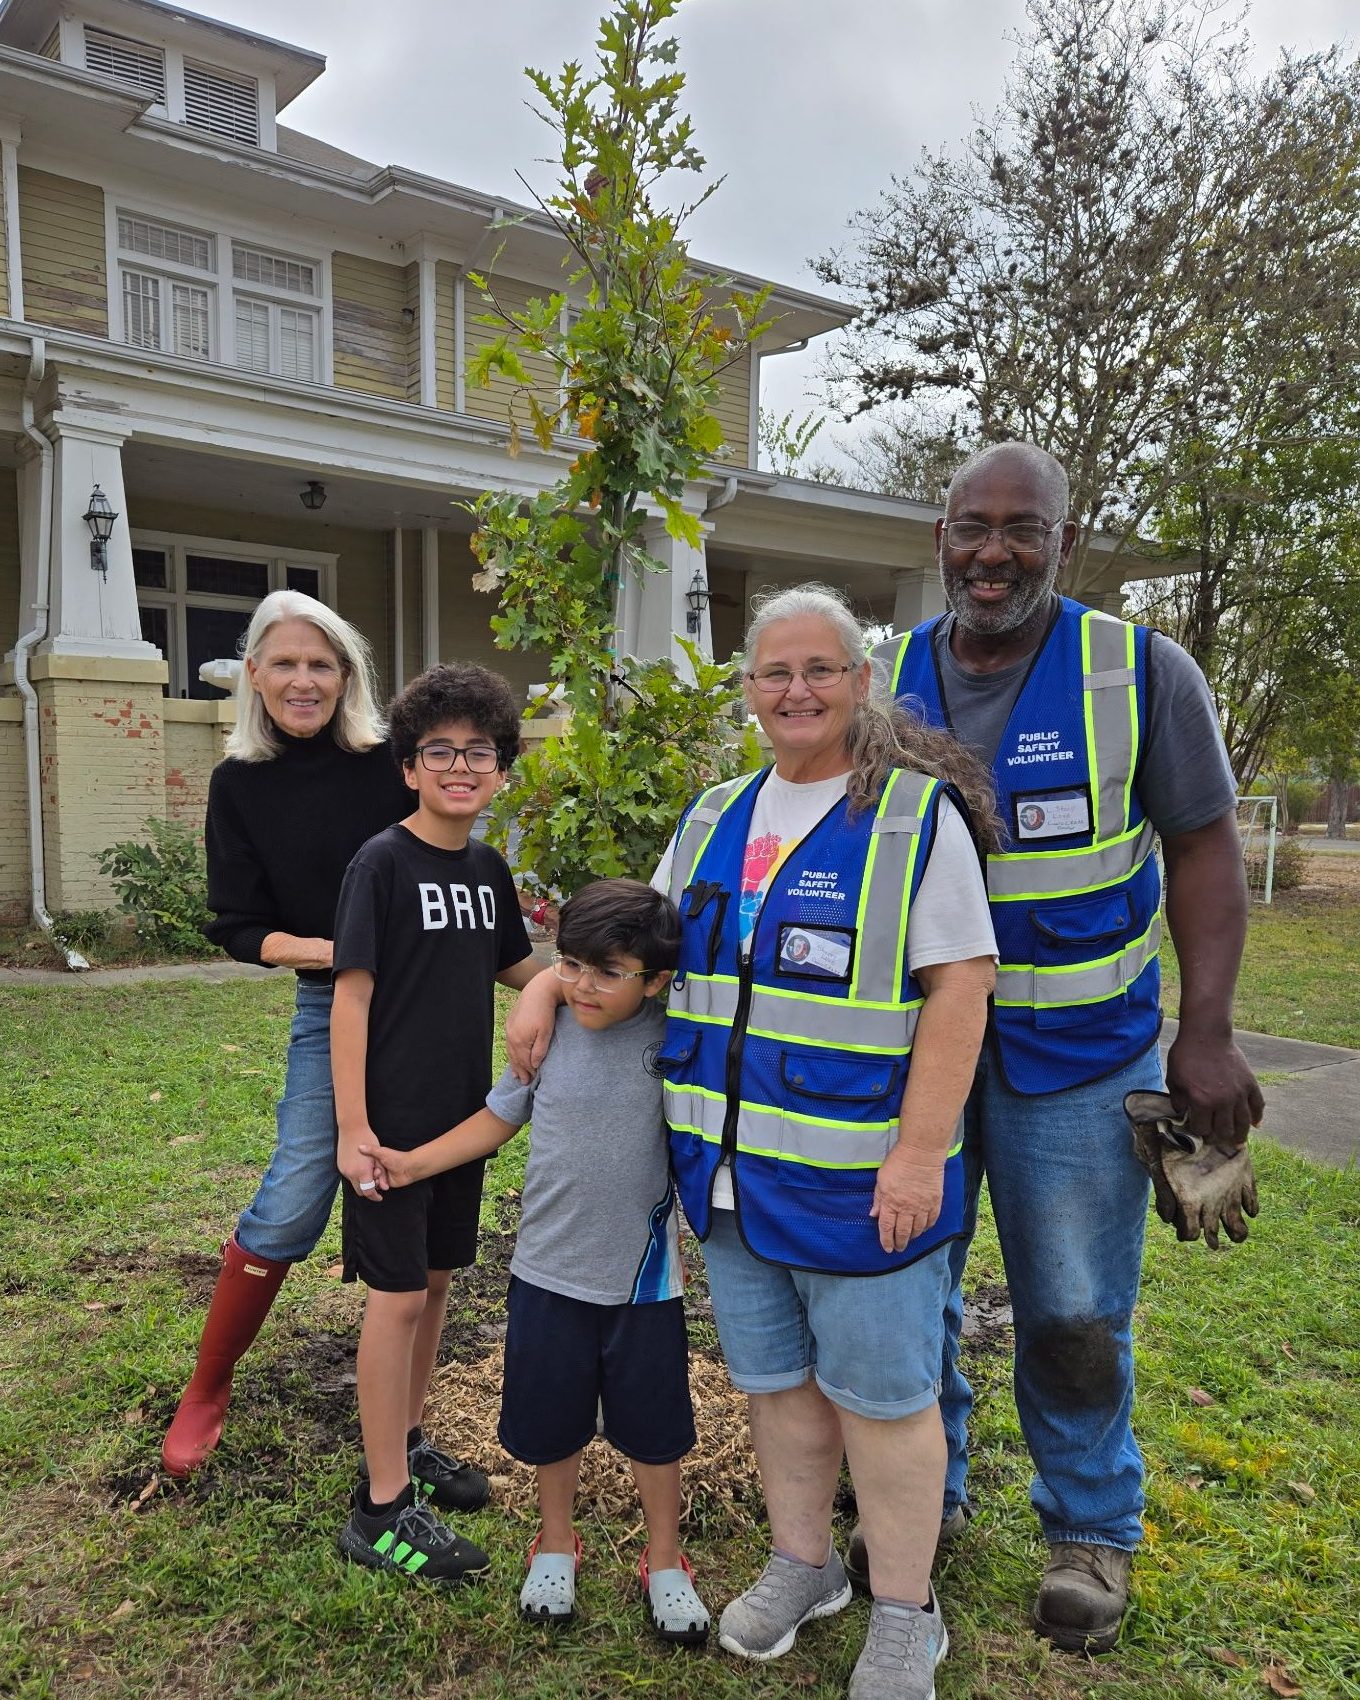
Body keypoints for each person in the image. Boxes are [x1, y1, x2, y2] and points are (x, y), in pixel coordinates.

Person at [510, 584, 1000, 1700]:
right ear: (748, 691)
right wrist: (542, 982)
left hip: (862, 1183)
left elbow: (961, 988)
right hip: (726, 1181)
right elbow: (636, 952)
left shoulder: (912, 819)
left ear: (860, 682)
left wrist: (918, 1154)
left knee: (886, 1402)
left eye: (820, 669)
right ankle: (803, 1563)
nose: (797, 690)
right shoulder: (712, 816)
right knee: (778, 1387)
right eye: (775, 672)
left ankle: (904, 1614)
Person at [866, 441, 1264, 1653]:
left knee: (1077, 1310)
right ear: (939, 537)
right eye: (970, 526)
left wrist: (1204, 1029)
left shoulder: (1138, 671)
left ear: (1064, 541)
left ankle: (1089, 1525)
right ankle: (919, 1497)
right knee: (905, 1289)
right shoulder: (882, 676)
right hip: (911, 1059)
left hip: (1082, 1058)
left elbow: (1202, 846)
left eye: (1021, 528)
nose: (992, 552)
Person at [358, 878, 711, 1643]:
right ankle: (555, 1545)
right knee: (552, 1426)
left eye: (608, 972)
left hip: (644, 1286)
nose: (583, 985)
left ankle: (665, 1559)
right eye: (571, 964)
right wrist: (413, 1164)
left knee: (657, 1434)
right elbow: (498, 1116)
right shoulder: (545, 1037)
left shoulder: (678, 1039)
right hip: (545, 1276)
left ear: (656, 979)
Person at [161, 590, 417, 1480]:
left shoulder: (393, 763)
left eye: (320, 664)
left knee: (420, 1189)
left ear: (346, 675)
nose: (303, 680)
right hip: (329, 1001)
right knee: (297, 1193)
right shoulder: (240, 784)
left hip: (426, 1001)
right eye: (285, 664)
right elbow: (238, 925)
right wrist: (338, 950)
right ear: (255, 676)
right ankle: (208, 1383)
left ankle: (407, 1413)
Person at [330, 662, 543, 1582]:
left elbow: (517, 968)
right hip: (389, 1128)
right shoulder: (380, 863)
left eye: (479, 752)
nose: (461, 766)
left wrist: (597, 977)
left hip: (460, 1124)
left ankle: (408, 1442)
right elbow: (350, 996)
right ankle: (381, 1508)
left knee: (438, 1282)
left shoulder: (487, 870)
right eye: (441, 751)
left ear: (501, 770)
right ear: (409, 767)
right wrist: (352, 1128)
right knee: (398, 1297)